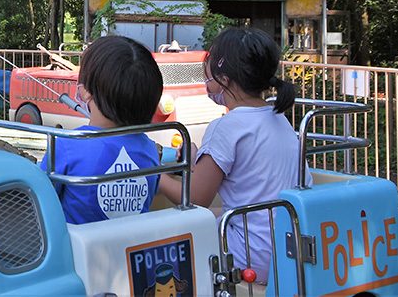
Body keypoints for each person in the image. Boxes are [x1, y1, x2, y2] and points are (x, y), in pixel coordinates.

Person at [158, 27, 308, 283]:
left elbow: (195, 199)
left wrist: (157, 176)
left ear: (224, 77)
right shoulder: (278, 118)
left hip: (249, 256)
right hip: (285, 250)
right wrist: (196, 157)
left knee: (164, 238)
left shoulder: (226, 126)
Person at [40, 36, 163, 224]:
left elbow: (43, 203)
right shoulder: (149, 149)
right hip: (131, 250)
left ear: (86, 91)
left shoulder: (66, 144)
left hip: (76, 251)